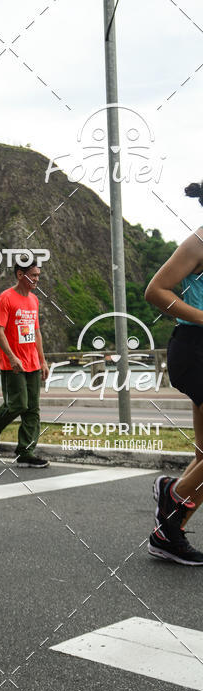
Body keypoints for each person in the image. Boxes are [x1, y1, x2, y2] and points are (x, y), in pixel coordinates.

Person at [145, 180, 203, 565]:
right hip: (195, 347)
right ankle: (171, 493)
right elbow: (156, 291)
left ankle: (168, 533)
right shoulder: (199, 242)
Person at [0, 258, 50, 467]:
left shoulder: (34, 300)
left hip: (33, 363)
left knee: (32, 409)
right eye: (34, 275)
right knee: (18, 404)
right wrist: (12, 357)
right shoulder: (6, 298)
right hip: (13, 364)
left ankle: (25, 453)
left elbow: (36, 333)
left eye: (38, 275)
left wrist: (43, 361)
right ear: (21, 275)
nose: (37, 279)